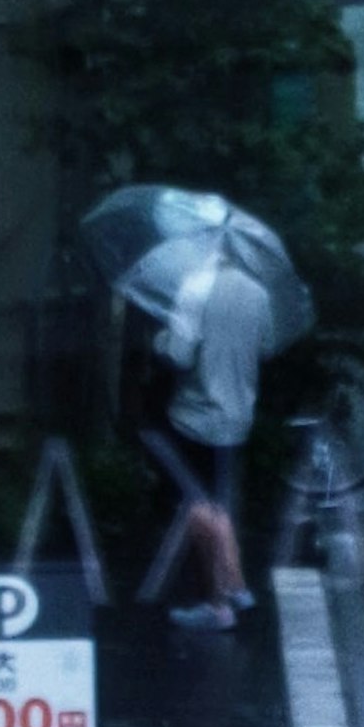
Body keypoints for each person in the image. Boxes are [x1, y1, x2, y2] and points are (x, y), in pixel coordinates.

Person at [149, 249, 275, 625]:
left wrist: (159, 339)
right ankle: (232, 592)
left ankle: (224, 598)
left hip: (195, 417)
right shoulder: (258, 292)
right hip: (238, 416)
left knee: (195, 504)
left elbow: (180, 355)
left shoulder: (195, 288)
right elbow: (266, 347)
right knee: (216, 504)